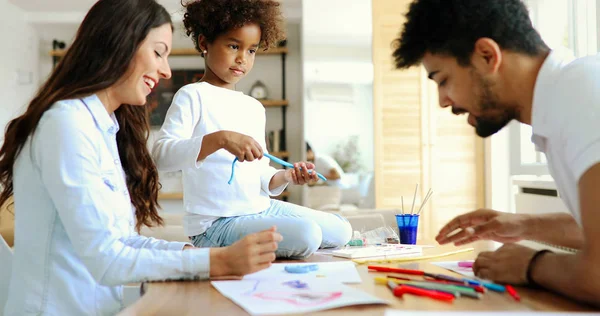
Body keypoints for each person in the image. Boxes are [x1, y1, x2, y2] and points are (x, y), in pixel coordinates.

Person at [1, 1, 281, 314]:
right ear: (120, 44)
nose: (166, 70)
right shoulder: (65, 126)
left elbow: (123, 241)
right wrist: (217, 260)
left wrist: (193, 251)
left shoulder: (103, 129)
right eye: (158, 52)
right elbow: (107, 258)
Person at [392, 0, 600, 306]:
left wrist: (530, 265)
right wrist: (524, 225)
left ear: (487, 56)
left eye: (443, 80)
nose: (443, 101)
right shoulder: (565, 99)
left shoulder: (583, 93)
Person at [152, 0, 352, 259]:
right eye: (234, 46)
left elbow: (262, 175)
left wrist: (288, 176)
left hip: (261, 208)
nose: (242, 59)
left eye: (251, 51)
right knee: (308, 235)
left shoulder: (253, 107)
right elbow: (162, 156)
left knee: (341, 230)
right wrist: (221, 139)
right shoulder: (192, 95)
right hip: (217, 225)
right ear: (204, 43)